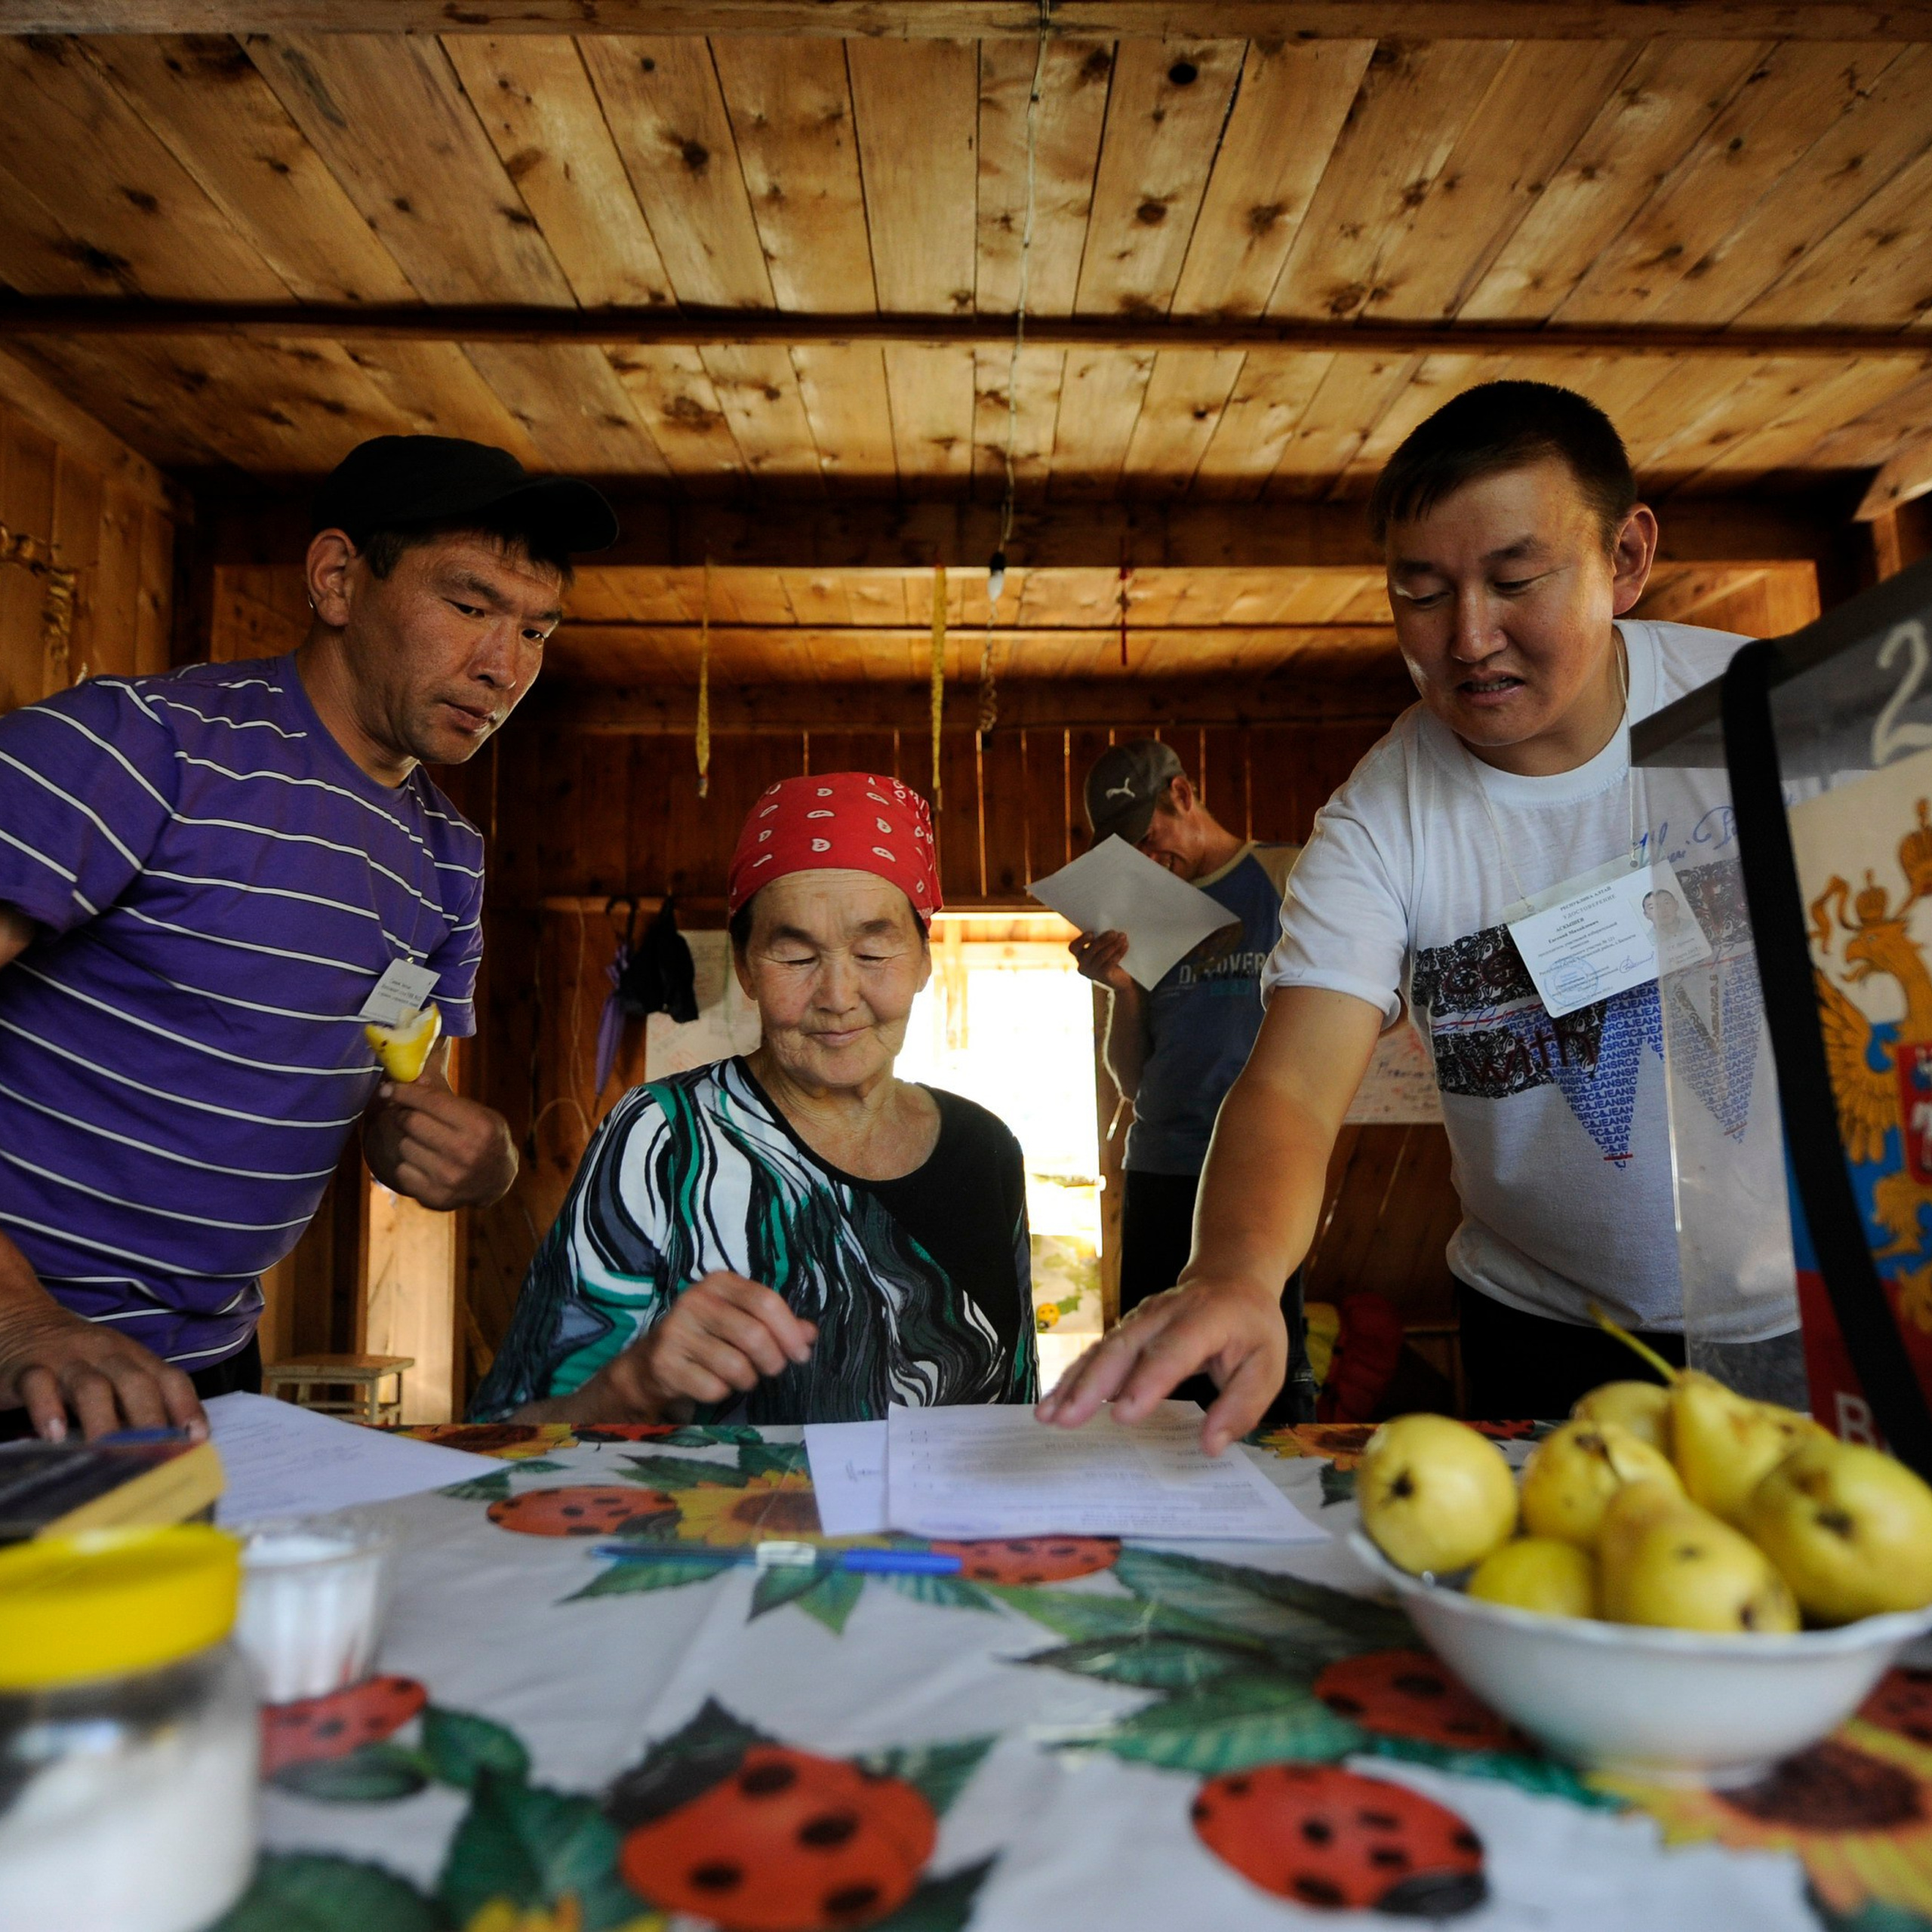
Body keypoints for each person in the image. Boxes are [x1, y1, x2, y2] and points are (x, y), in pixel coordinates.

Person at [1041, 380, 1779, 1449]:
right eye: (1422, 591)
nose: (1469, 636)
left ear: (1624, 560)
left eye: (1515, 578)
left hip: (1815, 1309)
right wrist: (1238, 1274)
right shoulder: (1382, 818)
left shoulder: (1773, 714)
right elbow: (1292, 1084)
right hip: (1546, 1333)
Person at [0, 434, 618, 1441]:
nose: (504, 666)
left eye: (539, 631)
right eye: (468, 607)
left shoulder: (447, 860)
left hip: (200, 1375)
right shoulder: (144, 747)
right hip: (26, 1356)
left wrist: (478, 1159)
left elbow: (399, 1089)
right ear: (337, 579)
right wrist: (15, 1319)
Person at [474, 773, 1038, 1426]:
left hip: (943, 1528)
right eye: (795, 957)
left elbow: (1017, 1414)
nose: (837, 994)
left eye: (874, 948)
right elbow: (509, 1435)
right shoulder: (662, 1137)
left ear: (922, 959)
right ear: (745, 966)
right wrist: (631, 1387)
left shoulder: (986, 1148)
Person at [1067, 740, 1312, 1420]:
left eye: (1150, 838)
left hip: (1258, 1170)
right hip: (1160, 1168)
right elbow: (1133, 1079)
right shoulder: (1143, 910)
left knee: (1259, 1383)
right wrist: (1120, 988)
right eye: (1130, 854)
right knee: (1156, 1388)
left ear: (1182, 793)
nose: (1148, 862)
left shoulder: (1290, 874)